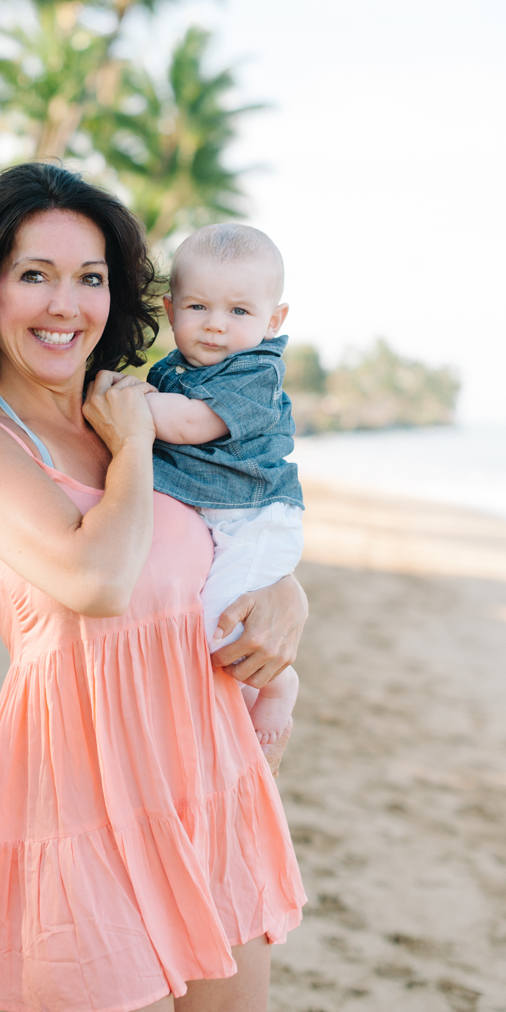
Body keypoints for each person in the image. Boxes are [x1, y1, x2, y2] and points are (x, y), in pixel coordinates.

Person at [0, 162, 308, 1012]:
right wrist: (129, 451)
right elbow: (98, 581)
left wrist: (290, 591)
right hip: (87, 816)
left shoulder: (146, 413)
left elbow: (234, 538)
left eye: (91, 278)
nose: (65, 304)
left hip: (209, 798)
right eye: (36, 275)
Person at [141, 223, 303, 753]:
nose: (215, 326)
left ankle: (279, 686)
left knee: (219, 621)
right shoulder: (172, 370)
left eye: (238, 312)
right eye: (198, 308)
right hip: (222, 516)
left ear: (272, 320)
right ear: (170, 311)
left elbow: (189, 425)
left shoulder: (255, 373)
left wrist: (126, 403)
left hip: (256, 521)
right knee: (206, 615)